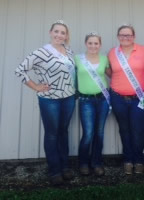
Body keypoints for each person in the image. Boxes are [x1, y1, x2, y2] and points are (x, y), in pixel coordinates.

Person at [15, 20, 76, 185]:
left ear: (66, 36)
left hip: (69, 97)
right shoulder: (41, 52)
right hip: (50, 100)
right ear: (50, 32)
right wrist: (35, 86)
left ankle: (65, 166)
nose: (59, 35)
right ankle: (55, 170)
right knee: (51, 134)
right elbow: (20, 70)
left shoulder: (69, 51)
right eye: (56, 31)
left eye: (63, 32)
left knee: (63, 132)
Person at [108, 24, 144, 175]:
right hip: (117, 97)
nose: (125, 38)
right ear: (118, 36)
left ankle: (138, 160)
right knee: (124, 130)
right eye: (122, 35)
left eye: (128, 35)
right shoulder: (112, 53)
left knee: (138, 130)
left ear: (134, 36)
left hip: (139, 98)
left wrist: (143, 75)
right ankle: (128, 160)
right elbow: (108, 71)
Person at [74, 32, 110, 176]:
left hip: (102, 99)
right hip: (85, 101)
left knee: (99, 133)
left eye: (96, 43)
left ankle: (96, 163)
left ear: (100, 45)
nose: (93, 46)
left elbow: (113, 75)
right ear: (86, 44)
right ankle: (83, 163)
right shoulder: (77, 59)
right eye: (90, 43)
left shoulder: (104, 59)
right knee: (88, 133)